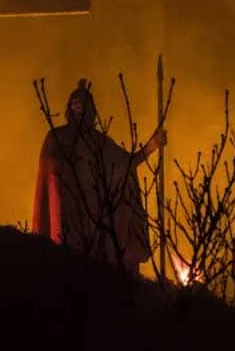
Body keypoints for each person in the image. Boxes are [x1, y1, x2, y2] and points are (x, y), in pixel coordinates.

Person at [32, 79, 166, 273]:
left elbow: (125, 164)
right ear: (69, 108)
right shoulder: (57, 137)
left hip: (94, 217)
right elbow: (51, 171)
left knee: (93, 265)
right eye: (76, 103)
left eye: (85, 104)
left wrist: (152, 145)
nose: (80, 108)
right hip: (66, 213)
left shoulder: (99, 142)